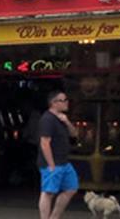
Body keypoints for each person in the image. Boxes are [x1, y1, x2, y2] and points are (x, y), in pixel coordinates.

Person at [37, 91, 79, 219]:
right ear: (53, 103)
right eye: (63, 100)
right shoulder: (47, 119)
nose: (67, 102)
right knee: (48, 192)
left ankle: (54, 217)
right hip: (53, 162)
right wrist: (51, 165)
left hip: (64, 161)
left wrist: (67, 122)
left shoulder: (61, 118)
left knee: (71, 188)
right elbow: (45, 143)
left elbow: (74, 134)